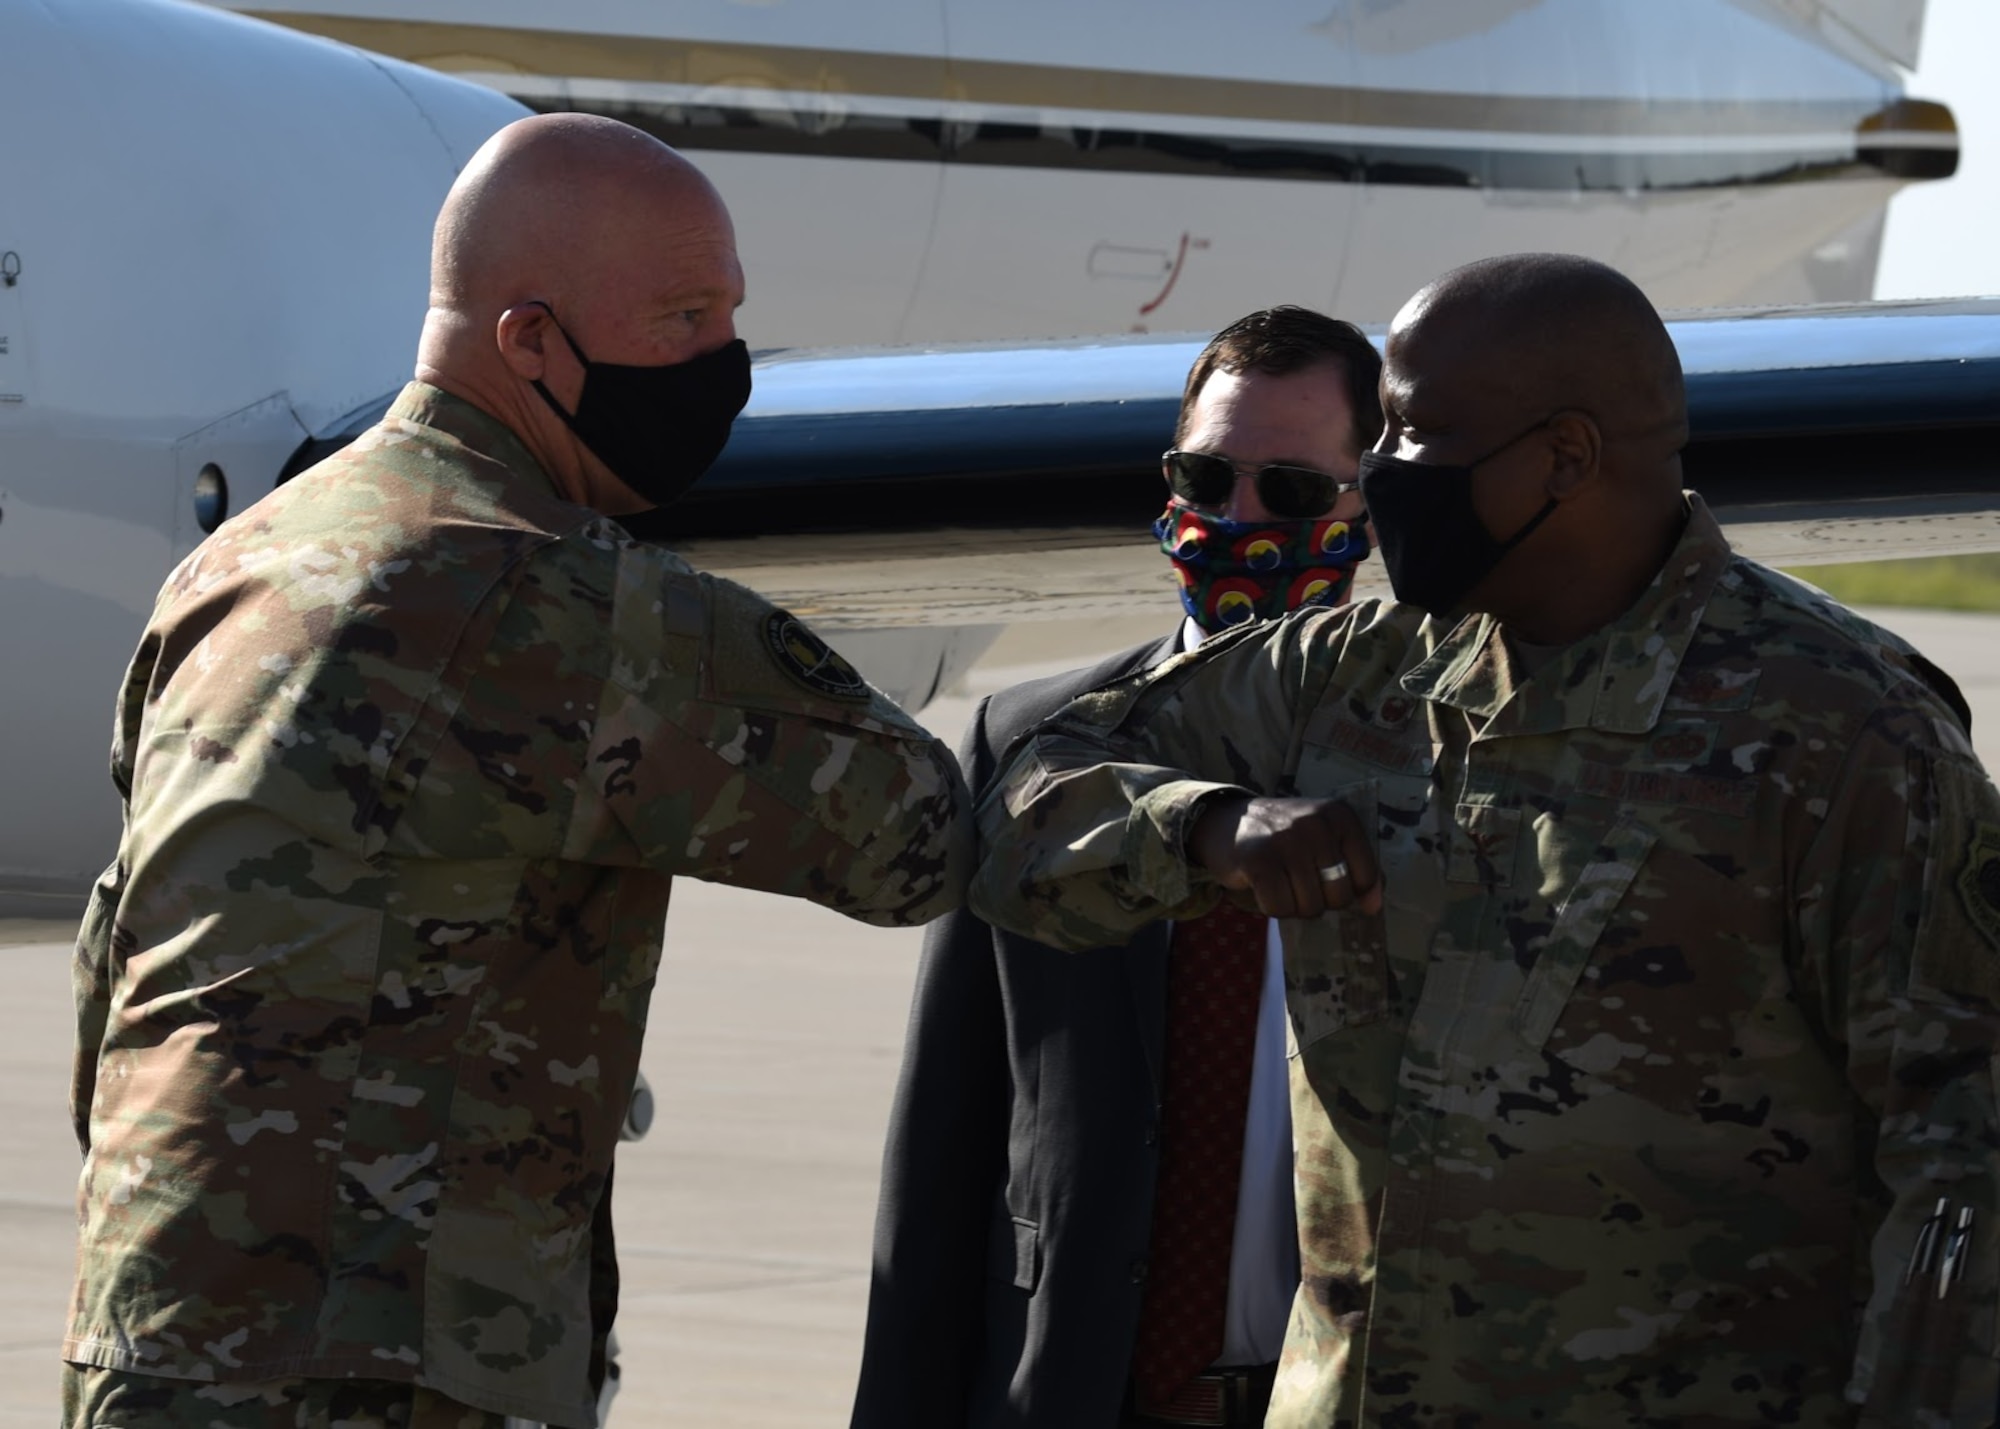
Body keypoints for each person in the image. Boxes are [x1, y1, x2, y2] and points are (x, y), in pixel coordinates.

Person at [970, 253, 2000, 1427]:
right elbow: (1020, 802)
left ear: (1564, 455)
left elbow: (1965, 1156)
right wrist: (1202, 822)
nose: (1376, 474)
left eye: (1414, 431)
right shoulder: (1348, 669)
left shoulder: (1840, 736)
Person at [63, 114, 970, 1429]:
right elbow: (918, 836)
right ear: (528, 342)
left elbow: (121, 955)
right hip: (392, 1366)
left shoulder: (235, 566)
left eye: (729, 315)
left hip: (149, 1341)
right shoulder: (566, 604)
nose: (724, 364)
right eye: (679, 320)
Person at [851, 306, 1381, 1429]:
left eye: (1287, 491)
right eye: (1205, 476)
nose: (1235, 517)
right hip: (1076, 1396)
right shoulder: (1033, 741)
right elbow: (944, 1150)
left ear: (1364, 510)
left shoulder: (1439, 759)